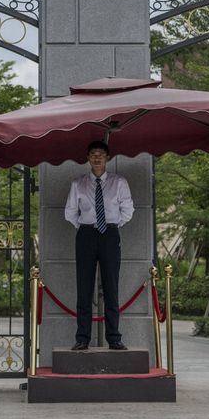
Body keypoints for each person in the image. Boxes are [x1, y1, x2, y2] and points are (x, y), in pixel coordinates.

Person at [64, 140, 134, 351]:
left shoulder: (119, 182)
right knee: (84, 287)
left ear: (108, 158)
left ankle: (114, 337)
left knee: (111, 286)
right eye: (93, 154)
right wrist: (87, 227)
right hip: (85, 235)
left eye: (101, 154)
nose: (97, 158)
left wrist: (110, 227)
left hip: (110, 235)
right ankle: (82, 338)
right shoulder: (78, 184)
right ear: (88, 158)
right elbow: (70, 212)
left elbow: (128, 210)